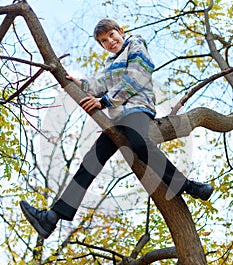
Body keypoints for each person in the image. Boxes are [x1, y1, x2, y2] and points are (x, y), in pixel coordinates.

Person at [20, 19, 214, 239]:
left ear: (121, 32)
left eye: (112, 35)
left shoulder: (136, 45)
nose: (110, 42)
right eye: (103, 41)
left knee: (139, 143)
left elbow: (137, 77)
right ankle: (53, 217)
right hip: (118, 120)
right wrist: (79, 83)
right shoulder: (112, 64)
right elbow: (100, 83)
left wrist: (104, 102)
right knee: (91, 161)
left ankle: (186, 185)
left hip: (137, 110)